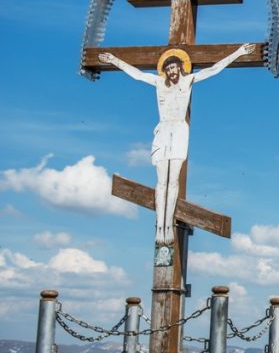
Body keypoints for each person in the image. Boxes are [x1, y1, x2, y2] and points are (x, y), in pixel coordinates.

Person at [98, 43, 255, 251]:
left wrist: (238, 53)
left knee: (173, 181)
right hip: (163, 131)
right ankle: (159, 226)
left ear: (181, 67)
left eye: (174, 68)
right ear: (165, 70)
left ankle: (169, 225)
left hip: (180, 131)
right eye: (168, 69)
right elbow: (136, 74)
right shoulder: (158, 83)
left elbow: (213, 69)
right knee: (161, 181)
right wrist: (114, 61)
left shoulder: (188, 80)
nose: (171, 72)